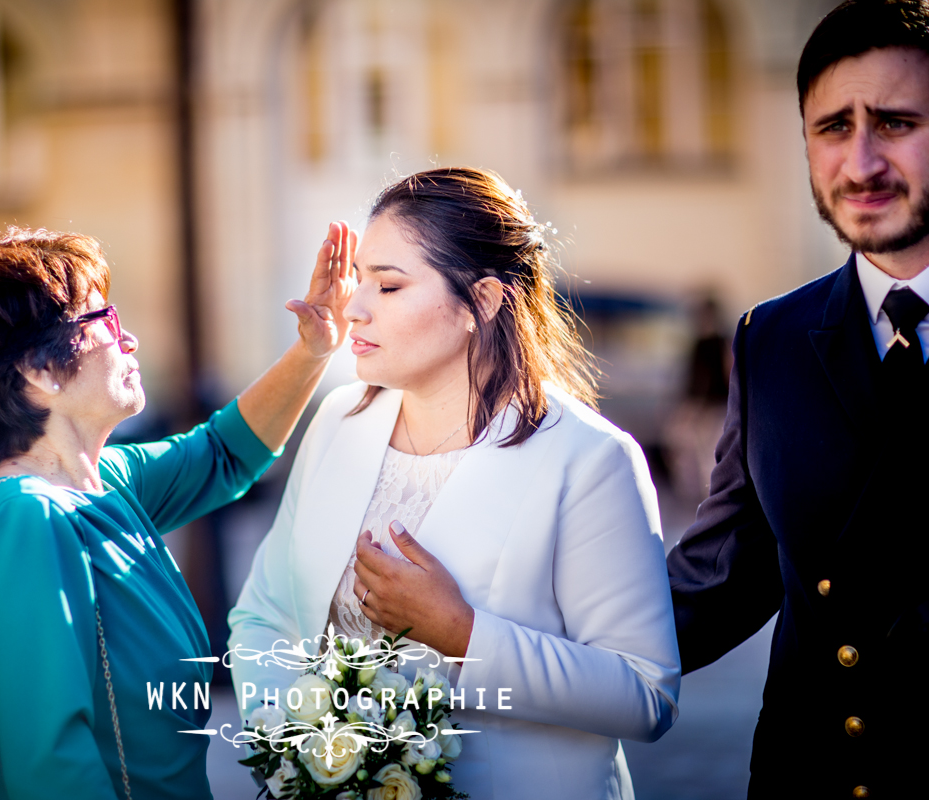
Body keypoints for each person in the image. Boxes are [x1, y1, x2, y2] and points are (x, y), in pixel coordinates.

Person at [228, 168, 680, 800]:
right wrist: (302, 745)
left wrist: (464, 633)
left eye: (387, 285)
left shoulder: (589, 458)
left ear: (484, 300)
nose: (354, 307)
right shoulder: (337, 422)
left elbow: (644, 694)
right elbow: (264, 616)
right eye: (360, 280)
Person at [0, 222, 356, 800]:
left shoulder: (105, 483)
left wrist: (313, 349)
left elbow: (225, 453)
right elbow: (49, 762)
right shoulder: (23, 517)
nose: (128, 340)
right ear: (39, 369)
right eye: (102, 320)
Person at [666, 1, 929, 796]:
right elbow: (719, 582)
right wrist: (492, 637)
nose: (861, 163)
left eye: (894, 123)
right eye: (832, 128)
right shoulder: (770, 340)